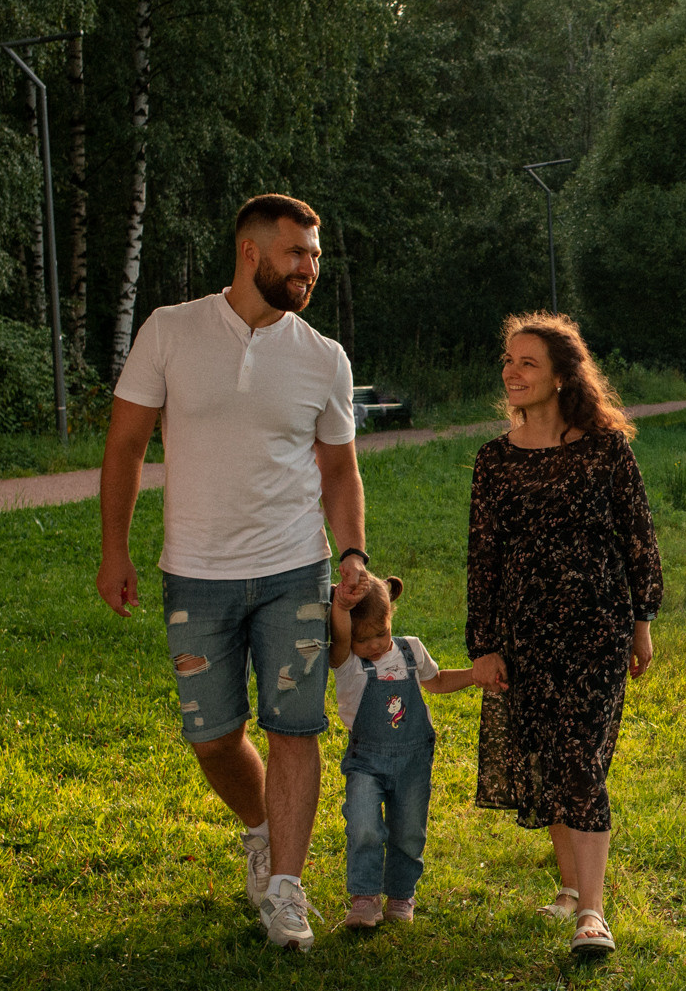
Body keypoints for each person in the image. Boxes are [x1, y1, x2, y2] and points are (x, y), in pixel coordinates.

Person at [95, 193, 371, 952]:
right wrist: (114, 549)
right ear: (252, 252)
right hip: (196, 574)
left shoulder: (323, 357)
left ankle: (286, 886)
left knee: (296, 727)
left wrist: (352, 554)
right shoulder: (171, 331)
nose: (310, 268)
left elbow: (341, 471)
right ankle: (260, 829)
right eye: (298, 253)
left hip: (294, 569)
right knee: (214, 738)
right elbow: (124, 446)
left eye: (315, 256)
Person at [464, 312, 662, 959]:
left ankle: (594, 916)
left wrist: (642, 623)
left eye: (527, 362)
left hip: (597, 628)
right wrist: (486, 643)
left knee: (583, 760)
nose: (511, 373)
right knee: (551, 756)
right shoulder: (494, 461)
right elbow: (484, 558)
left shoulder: (605, 448)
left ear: (560, 376)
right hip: (526, 632)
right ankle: (574, 889)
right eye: (508, 361)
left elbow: (637, 538)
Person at [329, 573, 481, 928]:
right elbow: (340, 637)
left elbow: (438, 682)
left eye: (381, 633)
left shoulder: (410, 649)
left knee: (409, 830)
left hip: (413, 760)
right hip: (366, 761)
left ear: (390, 618)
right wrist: (341, 604)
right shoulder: (346, 660)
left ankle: (400, 894)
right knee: (364, 825)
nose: (375, 645)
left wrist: (476, 674)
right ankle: (365, 899)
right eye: (363, 639)